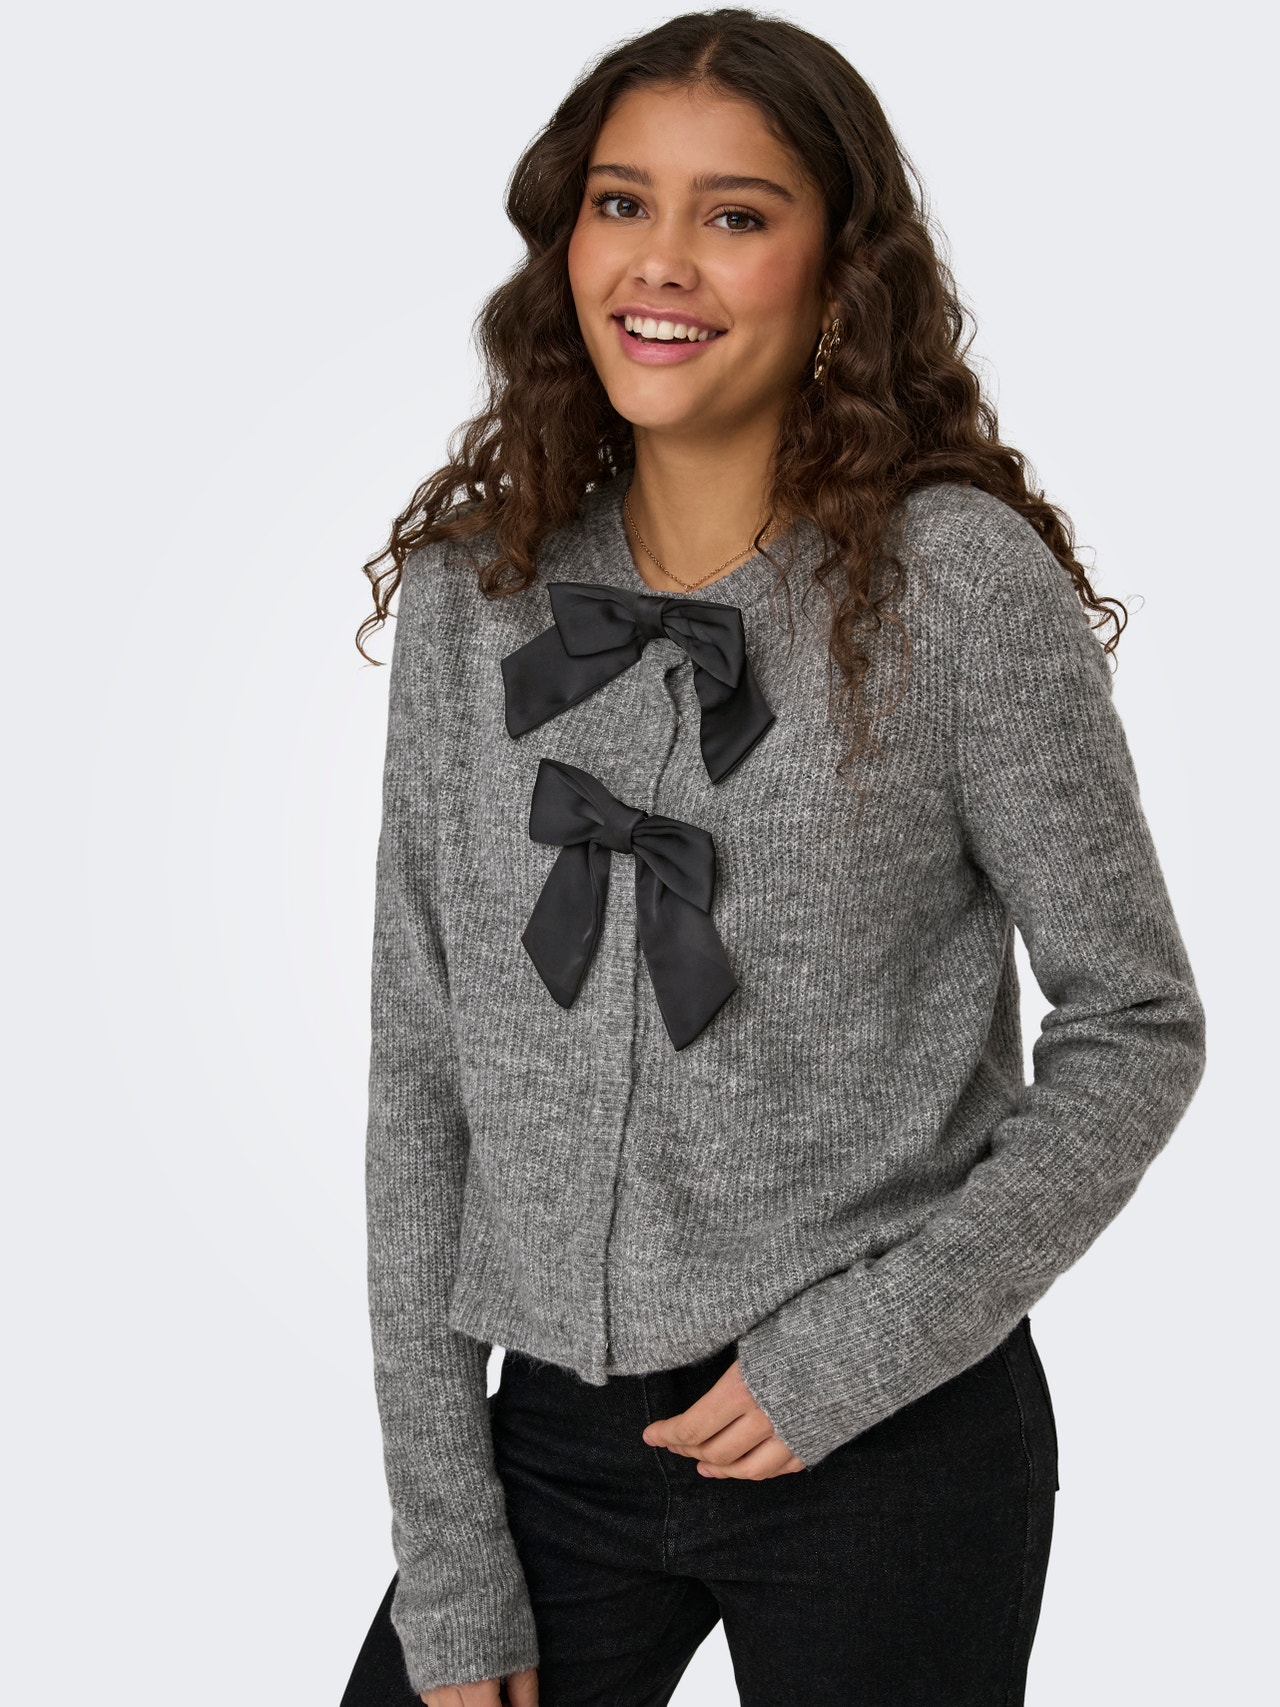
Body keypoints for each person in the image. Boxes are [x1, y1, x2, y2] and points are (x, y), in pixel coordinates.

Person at [340, 11, 1206, 1705]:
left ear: (841, 273)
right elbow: (421, 1070)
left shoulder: (960, 590)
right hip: (551, 1453)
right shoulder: (478, 591)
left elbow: (1136, 1026)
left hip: (891, 1442)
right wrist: (447, 1552)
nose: (660, 261)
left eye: (734, 214)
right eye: (620, 203)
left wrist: (864, 1349)